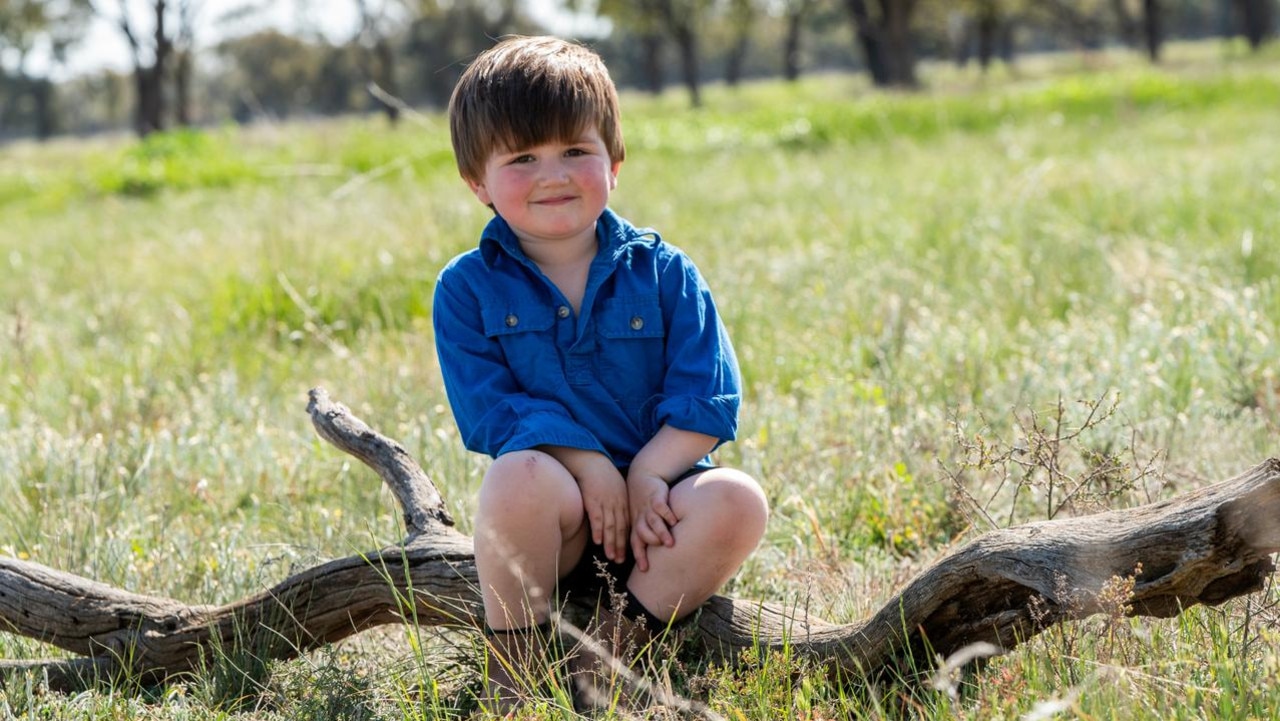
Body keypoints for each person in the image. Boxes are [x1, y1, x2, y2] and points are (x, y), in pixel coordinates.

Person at [433, 35, 769, 713]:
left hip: (659, 520)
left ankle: (612, 657)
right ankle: (517, 671)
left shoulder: (666, 272)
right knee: (516, 474)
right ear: (478, 182)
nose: (552, 174)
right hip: (553, 526)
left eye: (574, 152)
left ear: (614, 162)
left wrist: (646, 472)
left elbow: (710, 394)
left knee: (738, 500)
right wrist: (587, 463)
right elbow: (490, 413)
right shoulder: (467, 289)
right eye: (523, 158)